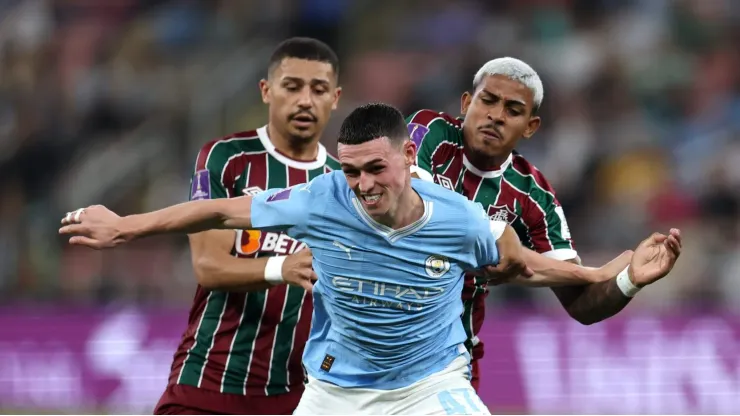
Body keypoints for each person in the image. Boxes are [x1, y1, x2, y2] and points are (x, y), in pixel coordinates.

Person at [60, 103, 682, 415]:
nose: (361, 185)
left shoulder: (460, 219)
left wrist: (615, 276)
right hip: (334, 392)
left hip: (428, 386)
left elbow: (524, 266)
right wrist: (125, 227)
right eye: (351, 170)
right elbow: (220, 211)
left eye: (375, 168)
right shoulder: (319, 200)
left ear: (408, 157)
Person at [406, 57, 683, 391]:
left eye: (513, 109)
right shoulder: (430, 133)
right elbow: (413, 211)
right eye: (488, 100)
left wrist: (628, 281)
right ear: (467, 103)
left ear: (530, 126)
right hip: (370, 335)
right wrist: (499, 237)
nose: (496, 115)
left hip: (446, 363)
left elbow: (581, 304)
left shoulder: (533, 196)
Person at [155, 37, 342, 415]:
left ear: (335, 98)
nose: (305, 100)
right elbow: (208, 265)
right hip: (210, 377)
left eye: (318, 89)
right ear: (266, 91)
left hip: (298, 394)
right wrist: (281, 268)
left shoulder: (344, 183)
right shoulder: (226, 159)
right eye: (292, 87)